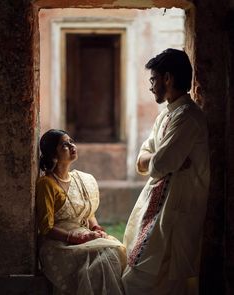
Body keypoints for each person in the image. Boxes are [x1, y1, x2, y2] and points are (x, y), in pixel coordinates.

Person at [122, 49, 210, 295]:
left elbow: (159, 165)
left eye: (153, 79)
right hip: (157, 207)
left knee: (153, 281)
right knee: (139, 274)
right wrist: (158, 161)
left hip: (176, 212)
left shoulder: (188, 117)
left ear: (168, 78)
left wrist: (157, 161)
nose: (151, 87)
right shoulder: (166, 116)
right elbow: (143, 162)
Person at [36, 129, 126, 295]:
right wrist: (75, 238)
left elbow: (87, 212)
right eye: (64, 144)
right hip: (59, 244)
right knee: (104, 256)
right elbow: (46, 227)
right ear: (53, 154)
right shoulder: (46, 184)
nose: (72, 146)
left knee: (115, 250)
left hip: (83, 235)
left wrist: (96, 228)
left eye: (71, 141)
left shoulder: (81, 179)